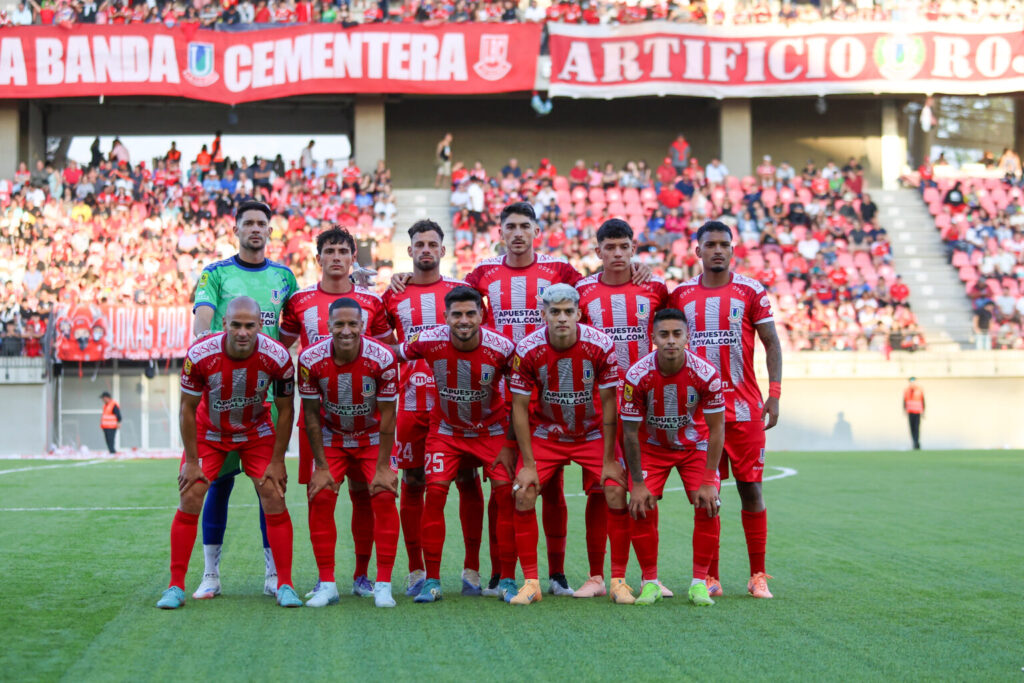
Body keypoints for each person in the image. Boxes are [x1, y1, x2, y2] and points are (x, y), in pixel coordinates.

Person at [390, 202, 651, 598]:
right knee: (512, 482)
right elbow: (456, 300)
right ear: (500, 231)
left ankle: (559, 574)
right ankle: (498, 573)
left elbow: (594, 289)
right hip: (502, 387)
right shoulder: (483, 273)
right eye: (509, 226)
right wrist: (408, 278)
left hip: (557, 386)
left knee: (556, 486)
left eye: (524, 226)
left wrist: (634, 269)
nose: (517, 233)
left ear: (535, 231)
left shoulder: (560, 270)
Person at [157, 297, 300, 610]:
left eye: (250, 326)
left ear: (260, 327)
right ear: (224, 325)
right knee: (192, 494)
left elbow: (286, 410)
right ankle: (175, 586)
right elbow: (187, 409)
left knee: (274, 494)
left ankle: (284, 584)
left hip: (256, 432)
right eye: (236, 325)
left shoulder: (277, 357)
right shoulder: (199, 355)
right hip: (210, 433)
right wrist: (192, 462)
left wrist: (278, 461)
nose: (243, 332)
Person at [190, 200, 299, 601]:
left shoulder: (285, 277)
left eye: (262, 223)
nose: (255, 228)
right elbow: (203, 316)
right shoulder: (215, 274)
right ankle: (210, 574)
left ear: (271, 231)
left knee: (267, 486)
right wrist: (201, 344)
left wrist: (275, 360)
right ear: (235, 229)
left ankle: (273, 575)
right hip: (221, 397)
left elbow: (294, 326)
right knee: (216, 486)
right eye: (248, 223)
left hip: (266, 397)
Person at [670, 220, 783, 599]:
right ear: (696, 250)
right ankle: (711, 577)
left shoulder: (751, 291)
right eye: (710, 244)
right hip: (699, 417)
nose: (718, 250)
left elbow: (772, 343)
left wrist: (775, 394)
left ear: (733, 250)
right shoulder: (681, 294)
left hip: (746, 411)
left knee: (751, 489)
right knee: (708, 495)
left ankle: (758, 575)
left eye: (724, 244)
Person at [278, 226, 392, 599]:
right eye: (331, 251)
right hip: (320, 414)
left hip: (366, 416)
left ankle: (362, 577)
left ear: (352, 257)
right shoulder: (298, 301)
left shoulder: (371, 303)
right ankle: (324, 578)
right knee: (321, 493)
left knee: (366, 494)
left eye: (344, 251)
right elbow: (282, 345)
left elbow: (385, 347)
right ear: (319, 258)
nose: (338, 257)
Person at [507, 284, 633, 606]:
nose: (561, 318)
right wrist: (529, 463)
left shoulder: (601, 345)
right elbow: (519, 408)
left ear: (578, 313)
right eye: (554, 312)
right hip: (548, 433)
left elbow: (609, 404)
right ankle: (532, 582)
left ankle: (617, 579)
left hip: (591, 433)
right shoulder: (528, 349)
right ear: (543, 314)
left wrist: (608, 459)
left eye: (568, 312)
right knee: (523, 492)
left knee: (615, 489)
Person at [393, 286, 518, 603]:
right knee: (434, 493)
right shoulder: (428, 340)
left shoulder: (503, 348)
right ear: (446, 317)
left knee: (505, 493)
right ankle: (431, 580)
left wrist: (510, 441)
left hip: (490, 431)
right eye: (457, 314)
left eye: (470, 314)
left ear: (481, 315)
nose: (464, 320)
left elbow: (520, 393)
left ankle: (506, 579)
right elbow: (392, 354)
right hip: (446, 431)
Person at [382, 221, 484, 598]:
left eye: (432, 244)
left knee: (467, 480)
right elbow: (383, 348)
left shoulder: (461, 292)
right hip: (411, 404)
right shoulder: (393, 296)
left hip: (460, 404)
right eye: (419, 244)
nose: (426, 249)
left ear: (443, 250)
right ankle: (415, 570)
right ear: (409, 252)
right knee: (412, 482)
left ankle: (471, 569)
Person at [572, 219, 670, 598]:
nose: (616, 254)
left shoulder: (656, 288)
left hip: (647, 406)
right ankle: (597, 576)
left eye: (623, 247)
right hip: (600, 406)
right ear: (597, 251)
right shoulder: (582, 292)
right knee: (600, 490)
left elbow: (673, 332)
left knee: (645, 491)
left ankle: (650, 576)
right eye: (609, 248)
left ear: (634, 249)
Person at [299, 298, 401, 609]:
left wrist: (384, 467)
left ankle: (380, 583)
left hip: (372, 437)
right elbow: (312, 415)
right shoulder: (309, 359)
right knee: (321, 495)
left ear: (363, 326)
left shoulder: (383, 358)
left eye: (352, 324)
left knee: (383, 495)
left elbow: (387, 416)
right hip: (332, 437)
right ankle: (327, 584)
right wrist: (319, 465)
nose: (346, 330)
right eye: (339, 324)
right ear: (327, 327)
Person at [621, 308, 726, 606]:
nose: (670, 341)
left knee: (709, 502)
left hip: (695, 446)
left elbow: (718, 430)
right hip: (652, 446)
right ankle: (650, 582)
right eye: (664, 335)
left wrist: (708, 480)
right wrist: (638, 483)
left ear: (687, 337)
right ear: (652, 338)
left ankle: (699, 584)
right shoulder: (636, 375)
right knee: (641, 504)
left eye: (677, 334)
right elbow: (629, 433)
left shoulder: (706, 374)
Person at [903, 377, 924, 450]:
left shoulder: (919, 390)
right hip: (910, 412)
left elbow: (923, 400)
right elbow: (904, 401)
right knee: (912, 428)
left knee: (916, 427)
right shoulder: (906, 390)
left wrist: (923, 411)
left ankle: (917, 442)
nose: (912, 383)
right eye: (911, 382)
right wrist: (904, 409)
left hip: (917, 412)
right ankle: (914, 442)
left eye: (913, 382)